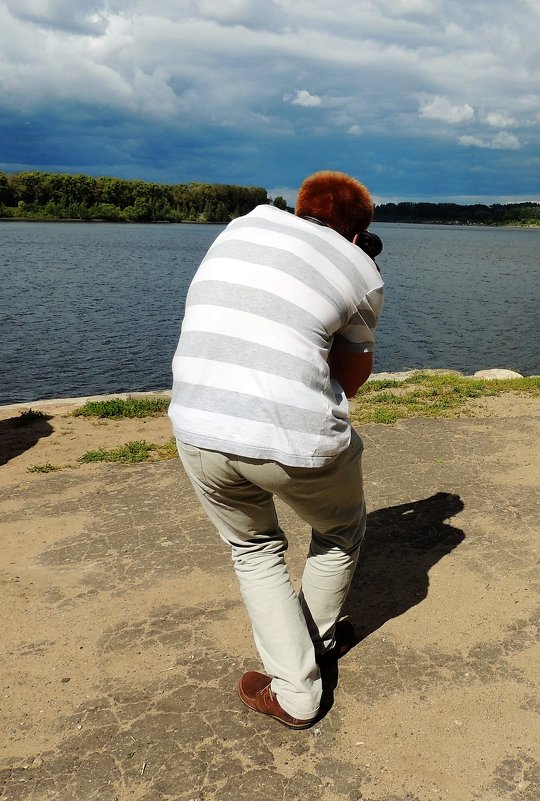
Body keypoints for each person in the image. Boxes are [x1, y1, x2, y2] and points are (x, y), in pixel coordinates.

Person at [168, 170, 385, 729]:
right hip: (291, 441)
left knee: (254, 548)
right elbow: (349, 379)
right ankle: (299, 690)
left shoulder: (242, 225)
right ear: (358, 235)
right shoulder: (360, 269)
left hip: (196, 426)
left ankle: (301, 659)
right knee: (340, 530)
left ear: (297, 207)